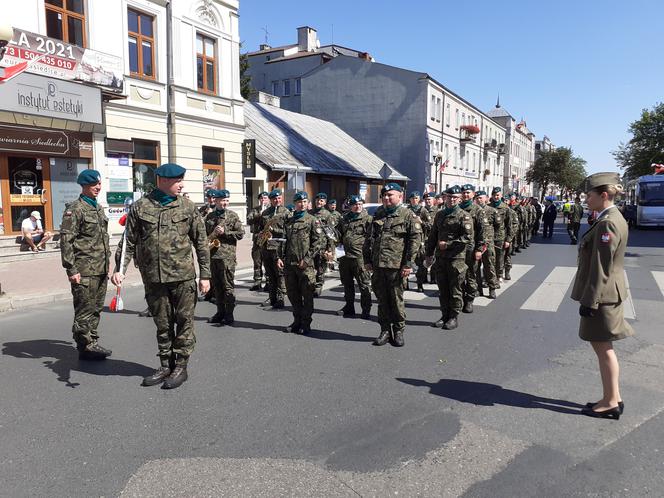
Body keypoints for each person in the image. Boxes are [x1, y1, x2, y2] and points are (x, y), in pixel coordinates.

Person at [111, 163, 211, 389]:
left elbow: (201, 243)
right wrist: (120, 269)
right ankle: (166, 364)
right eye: (177, 181)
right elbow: (128, 241)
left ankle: (181, 367)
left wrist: (205, 275)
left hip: (183, 276)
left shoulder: (187, 207)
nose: (181, 185)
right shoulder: (140, 207)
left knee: (184, 322)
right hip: (154, 277)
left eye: (181, 180)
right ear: (163, 181)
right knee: (162, 323)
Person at [571, 172, 633, 419]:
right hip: (607, 292)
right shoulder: (610, 217)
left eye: (589, 195)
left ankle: (610, 402)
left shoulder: (607, 222)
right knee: (603, 347)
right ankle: (612, 397)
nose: (586, 199)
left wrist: (590, 300)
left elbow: (601, 266)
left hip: (603, 295)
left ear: (603, 195)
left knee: (603, 348)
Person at [59, 169, 112, 360]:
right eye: (93, 184)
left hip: (100, 268)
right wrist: (71, 268)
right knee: (84, 309)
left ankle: (92, 341)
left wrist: (107, 265)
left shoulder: (98, 208)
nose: (97, 187)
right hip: (84, 270)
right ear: (83, 186)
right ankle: (84, 345)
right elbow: (66, 241)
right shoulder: (76, 209)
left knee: (96, 308)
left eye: (98, 184)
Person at [363, 182, 421, 347]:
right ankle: (385, 330)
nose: (387, 198)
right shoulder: (379, 213)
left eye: (390, 195)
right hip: (378, 266)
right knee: (382, 300)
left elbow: (414, 242)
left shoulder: (408, 215)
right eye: (384, 195)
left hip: (396, 267)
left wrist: (408, 264)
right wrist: (367, 260)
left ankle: (398, 331)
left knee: (396, 301)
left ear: (400, 196)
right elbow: (369, 238)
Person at [279, 191, 328, 334]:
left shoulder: (312, 220)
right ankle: (297, 320)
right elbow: (283, 241)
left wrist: (307, 260)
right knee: (293, 295)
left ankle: (306, 323)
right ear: (295, 204)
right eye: (300, 202)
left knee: (307, 295)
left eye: (305, 201)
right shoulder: (289, 220)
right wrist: (279, 258)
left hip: (304, 265)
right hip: (290, 264)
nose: (302, 204)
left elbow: (318, 242)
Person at [425, 185, 473, 330]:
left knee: (455, 289)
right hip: (440, 259)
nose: (451, 200)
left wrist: (449, 244)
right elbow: (433, 236)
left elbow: (467, 237)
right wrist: (429, 254)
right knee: (443, 289)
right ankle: (444, 315)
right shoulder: (440, 215)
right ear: (444, 198)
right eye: (449, 197)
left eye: (455, 197)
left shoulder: (464, 216)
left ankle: (453, 317)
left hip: (456, 259)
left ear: (459, 199)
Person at [205, 189, 244, 325]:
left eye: (227, 200)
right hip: (213, 256)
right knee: (217, 287)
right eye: (222, 200)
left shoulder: (232, 216)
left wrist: (225, 232)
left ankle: (229, 314)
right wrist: (212, 234)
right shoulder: (210, 217)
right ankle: (220, 312)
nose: (225, 203)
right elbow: (203, 237)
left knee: (228, 287)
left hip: (227, 257)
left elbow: (240, 234)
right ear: (216, 201)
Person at [337, 195, 372, 319]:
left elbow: (372, 238)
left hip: (360, 257)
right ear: (350, 206)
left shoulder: (368, 219)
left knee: (364, 285)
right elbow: (338, 235)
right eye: (355, 204)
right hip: (345, 256)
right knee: (347, 283)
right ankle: (349, 307)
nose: (358, 206)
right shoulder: (344, 219)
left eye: (360, 204)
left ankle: (366, 309)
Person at [257, 188, 288, 309]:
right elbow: (261, 227)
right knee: (269, 274)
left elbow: (287, 231)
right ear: (270, 200)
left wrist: (274, 230)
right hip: (266, 247)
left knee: (279, 274)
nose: (277, 200)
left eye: (279, 198)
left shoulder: (286, 212)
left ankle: (280, 299)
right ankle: (272, 297)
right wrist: (262, 235)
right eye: (274, 198)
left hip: (278, 247)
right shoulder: (265, 213)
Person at [459, 185, 485, 314]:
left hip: (471, 248)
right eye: (463, 193)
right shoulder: (456, 209)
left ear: (473, 194)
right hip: (457, 249)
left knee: (470, 275)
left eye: (468, 193)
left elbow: (482, 231)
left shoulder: (477, 210)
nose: (465, 195)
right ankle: (459, 300)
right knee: (457, 276)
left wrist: (479, 249)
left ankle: (469, 300)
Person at [474, 190, 498, 299]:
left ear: (486, 198)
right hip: (476, 243)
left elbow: (498, 227)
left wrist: (492, 239)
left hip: (488, 244)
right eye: (477, 198)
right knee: (475, 268)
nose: (479, 200)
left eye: (481, 198)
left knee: (489, 266)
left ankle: (492, 288)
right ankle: (478, 289)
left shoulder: (492, 211)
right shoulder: (473, 211)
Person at [309, 192, 334, 296]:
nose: (319, 202)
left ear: (325, 202)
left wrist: (330, 249)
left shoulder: (328, 215)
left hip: (322, 246)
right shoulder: (310, 213)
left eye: (321, 200)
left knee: (320, 267)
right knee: (310, 266)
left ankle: (318, 286)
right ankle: (311, 284)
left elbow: (331, 233)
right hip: (310, 245)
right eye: (317, 200)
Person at [407, 191, 432, 292]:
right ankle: (405, 283)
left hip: (420, 240)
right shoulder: (407, 210)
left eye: (416, 198)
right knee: (407, 262)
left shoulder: (423, 210)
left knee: (420, 264)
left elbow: (430, 226)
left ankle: (420, 284)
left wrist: (421, 222)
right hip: (408, 240)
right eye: (412, 198)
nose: (414, 200)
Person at [246, 191, 270, 291]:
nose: (263, 200)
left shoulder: (271, 209)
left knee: (268, 262)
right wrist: (259, 215)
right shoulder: (255, 210)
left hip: (268, 239)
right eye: (261, 198)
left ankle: (269, 282)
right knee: (257, 261)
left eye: (265, 198)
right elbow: (249, 219)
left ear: (268, 199)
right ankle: (257, 281)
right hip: (257, 239)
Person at [488, 187, 512, 283]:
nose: (496, 197)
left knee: (499, 258)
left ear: (500, 196)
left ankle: (499, 275)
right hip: (489, 237)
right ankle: (490, 276)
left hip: (500, 237)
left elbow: (509, 225)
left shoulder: (505, 208)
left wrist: (508, 240)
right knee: (490, 258)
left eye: (498, 195)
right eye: (494, 195)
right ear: (492, 196)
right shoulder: (488, 207)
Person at [326, 198, 342, 270]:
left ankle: (333, 263)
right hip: (327, 233)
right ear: (328, 205)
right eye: (332, 205)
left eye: (334, 205)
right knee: (329, 249)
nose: (333, 206)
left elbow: (340, 224)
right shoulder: (326, 213)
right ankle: (329, 264)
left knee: (335, 249)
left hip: (335, 234)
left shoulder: (338, 214)